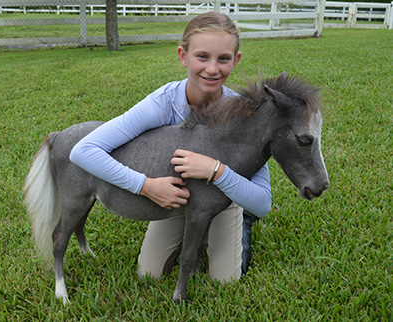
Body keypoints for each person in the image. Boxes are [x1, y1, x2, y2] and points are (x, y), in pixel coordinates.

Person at [69, 11, 272, 283]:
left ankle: (239, 223)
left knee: (225, 280)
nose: (212, 69)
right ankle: (192, 224)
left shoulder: (245, 115)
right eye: (202, 56)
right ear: (182, 56)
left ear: (235, 60)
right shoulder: (163, 103)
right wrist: (146, 186)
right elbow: (83, 151)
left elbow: (263, 203)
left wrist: (217, 171)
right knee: (149, 274)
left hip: (224, 198)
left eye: (223, 59)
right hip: (176, 198)